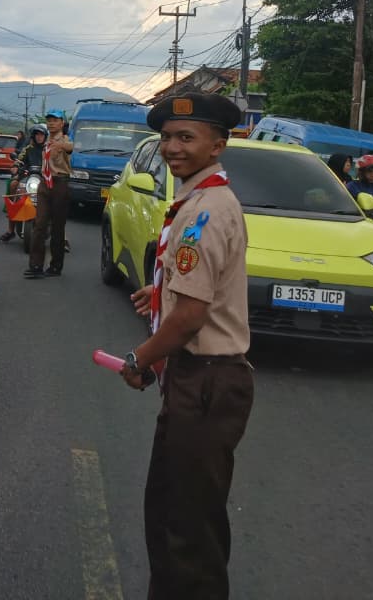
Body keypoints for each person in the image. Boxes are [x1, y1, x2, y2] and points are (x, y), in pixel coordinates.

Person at [122, 92, 252, 600]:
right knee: (176, 512)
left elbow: (194, 316)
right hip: (197, 379)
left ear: (218, 145)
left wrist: (141, 357)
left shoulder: (204, 214)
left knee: (186, 528)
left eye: (186, 138)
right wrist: (159, 292)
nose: (172, 148)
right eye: (167, 138)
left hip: (206, 382)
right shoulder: (198, 202)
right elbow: (196, 292)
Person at [26, 109, 73, 278]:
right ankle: (35, 266)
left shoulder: (64, 140)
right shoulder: (46, 141)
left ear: (62, 123)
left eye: (55, 120)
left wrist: (61, 145)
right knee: (39, 225)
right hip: (45, 183)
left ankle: (55, 266)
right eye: (49, 120)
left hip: (60, 183)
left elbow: (70, 147)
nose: (51, 123)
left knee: (57, 228)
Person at [0, 123, 46, 243]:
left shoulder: (49, 150)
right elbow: (19, 159)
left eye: (41, 135)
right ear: (33, 136)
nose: (39, 137)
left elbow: (55, 163)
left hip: (45, 178)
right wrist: (15, 166)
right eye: (37, 135)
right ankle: (10, 230)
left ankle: (62, 237)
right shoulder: (28, 149)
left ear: (45, 136)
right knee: (13, 184)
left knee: (58, 198)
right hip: (28, 176)